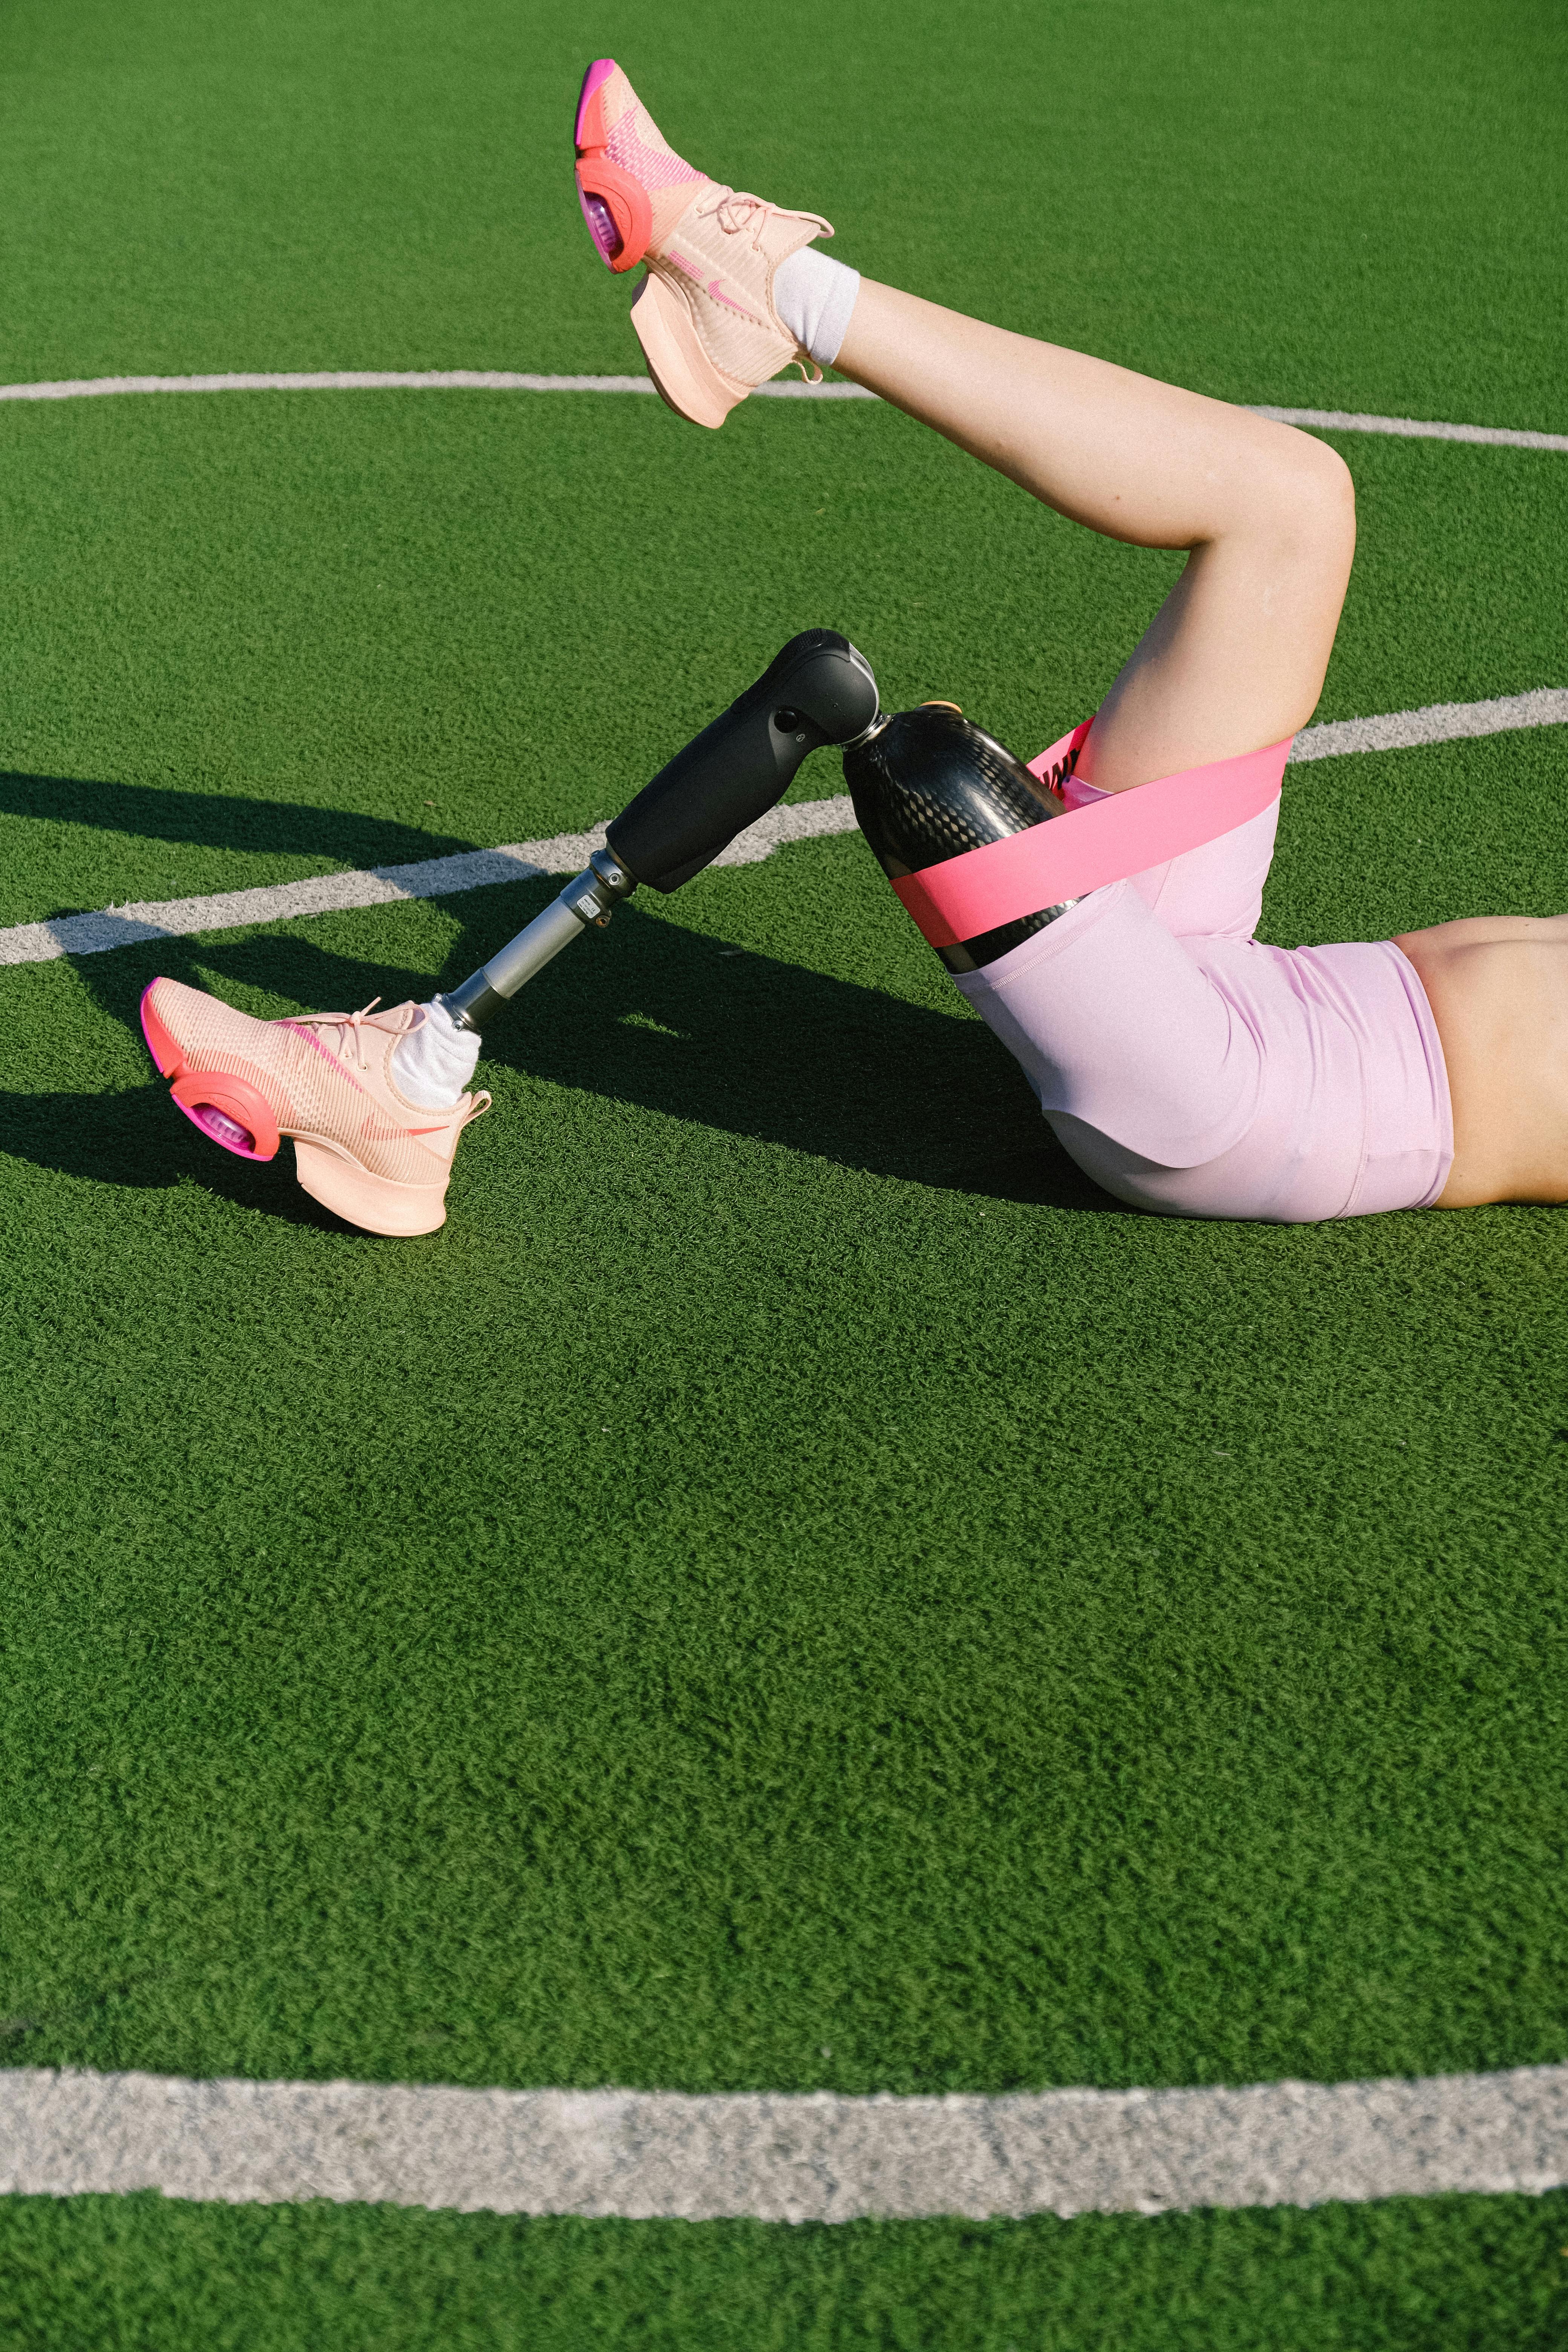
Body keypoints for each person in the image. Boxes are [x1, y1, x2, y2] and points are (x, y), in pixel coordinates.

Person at [570, 58, 1568, 1223]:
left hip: (1236, 1104)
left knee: (926, 774)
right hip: (1225, 968)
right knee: (1295, 500)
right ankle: (776, 292)